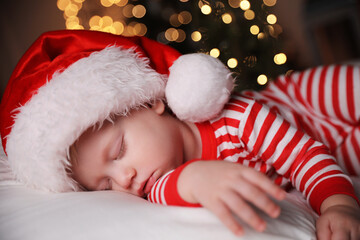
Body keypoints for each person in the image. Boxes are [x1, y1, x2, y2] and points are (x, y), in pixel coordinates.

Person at [0, 30, 359, 239]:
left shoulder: (239, 118)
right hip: (338, 150)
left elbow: (301, 157)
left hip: (302, 102)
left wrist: (339, 204)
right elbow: (178, 187)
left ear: (152, 102)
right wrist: (195, 178)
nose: (124, 179)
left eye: (120, 149)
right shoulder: (154, 183)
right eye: (105, 185)